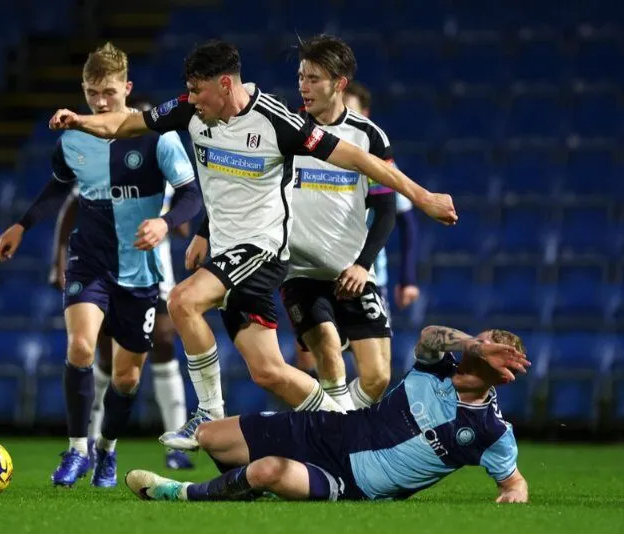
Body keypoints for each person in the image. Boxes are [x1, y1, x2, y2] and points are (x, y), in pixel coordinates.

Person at [48, 39, 458, 451]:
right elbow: (125, 124)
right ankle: (352, 434)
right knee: (270, 371)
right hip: (227, 252)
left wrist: (423, 197)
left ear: (225, 84)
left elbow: (356, 158)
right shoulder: (189, 110)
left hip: (261, 249)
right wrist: (79, 121)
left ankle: (208, 414)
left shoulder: (277, 120)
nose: (190, 98)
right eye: (188, 89)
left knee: (183, 302)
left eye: (198, 89)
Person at [0, 43, 202, 487]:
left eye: (108, 91)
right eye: (92, 92)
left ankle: (107, 450)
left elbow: (192, 195)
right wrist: (22, 225)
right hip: (89, 260)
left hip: (140, 271)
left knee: (127, 377)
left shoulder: (159, 138)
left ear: (126, 88)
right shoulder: (73, 138)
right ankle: (76, 450)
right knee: (82, 349)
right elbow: (58, 188)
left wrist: (165, 224)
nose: (101, 102)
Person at [125, 325, 531, 504]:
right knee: (212, 435)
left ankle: (178, 493)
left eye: (486, 348)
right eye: (476, 342)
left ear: (504, 373)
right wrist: (472, 344)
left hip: (350, 481)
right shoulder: (434, 367)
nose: (474, 348)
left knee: (268, 471)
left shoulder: (490, 431)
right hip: (331, 429)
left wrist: (513, 493)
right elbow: (428, 336)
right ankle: (244, 488)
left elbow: (514, 481)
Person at [48, 107, 195, 470]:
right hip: (102, 267)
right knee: (99, 354)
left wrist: (170, 220)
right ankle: (88, 443)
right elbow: (69, 208)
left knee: (162, 343)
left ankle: (174, 441)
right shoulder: (97, 160)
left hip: (151, 272)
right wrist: (58, 261)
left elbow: (187, 198)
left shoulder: (158, 151)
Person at [281, 35, 399, 413]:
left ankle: (332, 426)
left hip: (351, 272)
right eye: (301, 76)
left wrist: (363, 265)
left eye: (314, 78)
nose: (303, 86)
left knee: (378, 377)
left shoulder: (370, 137)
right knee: (328, 351)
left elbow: (386, 210)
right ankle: (337, 439)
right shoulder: (285, 131)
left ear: (339, 83)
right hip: (299, 271)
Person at [343, 81, 420, 314]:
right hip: (317, 272)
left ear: (365, 115)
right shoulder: (313, 156)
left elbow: (407, 223)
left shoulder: (380, 163)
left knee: (373, 350)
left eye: (350, 111)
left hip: (370, 275)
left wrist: (407, 278)